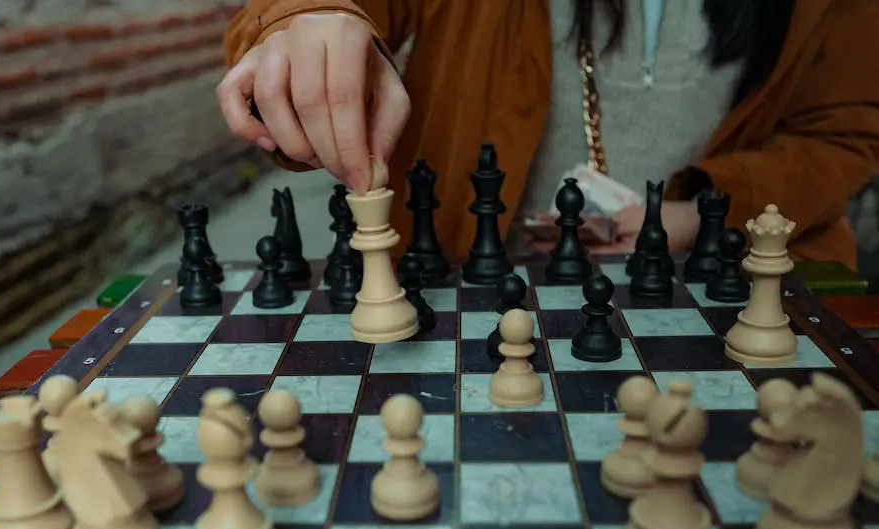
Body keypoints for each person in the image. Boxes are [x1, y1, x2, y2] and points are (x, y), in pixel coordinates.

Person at [217, 0, 879, 270]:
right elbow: (315, 9)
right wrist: (309, 17)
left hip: (721, 286)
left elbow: (843, 134)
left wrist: (698, 214)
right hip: (481, 280)